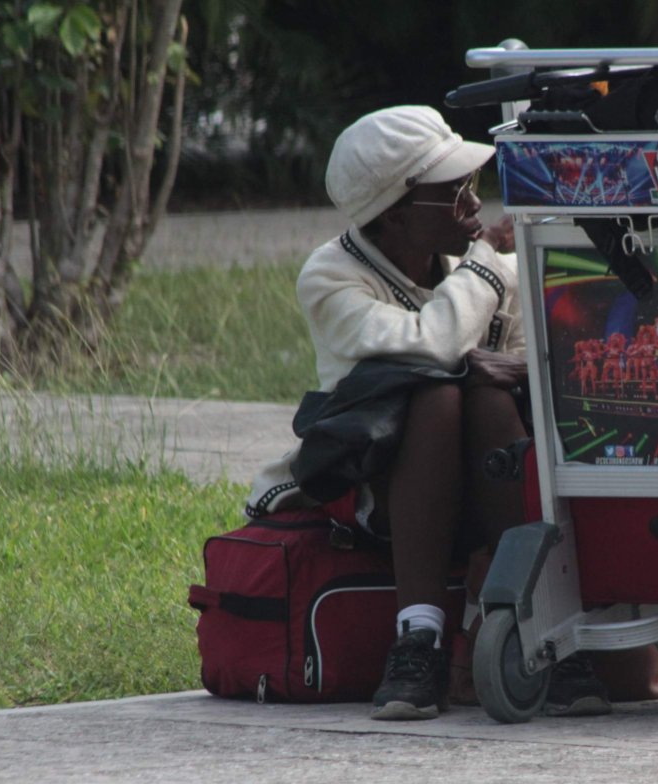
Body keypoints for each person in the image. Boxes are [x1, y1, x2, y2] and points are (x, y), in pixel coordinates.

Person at [246, 105, 614, 719]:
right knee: (434, 391)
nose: (474, 202)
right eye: (454, 192)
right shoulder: (332, 278)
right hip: (384, 488)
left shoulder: (477, 267)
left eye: (473, 186)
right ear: (393, 212)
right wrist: (484, 270)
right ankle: (418, 642)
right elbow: (433, 344)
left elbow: (544, 358)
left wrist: (495, 360)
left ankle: (541, 627)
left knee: (487, 394)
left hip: (483, 477)